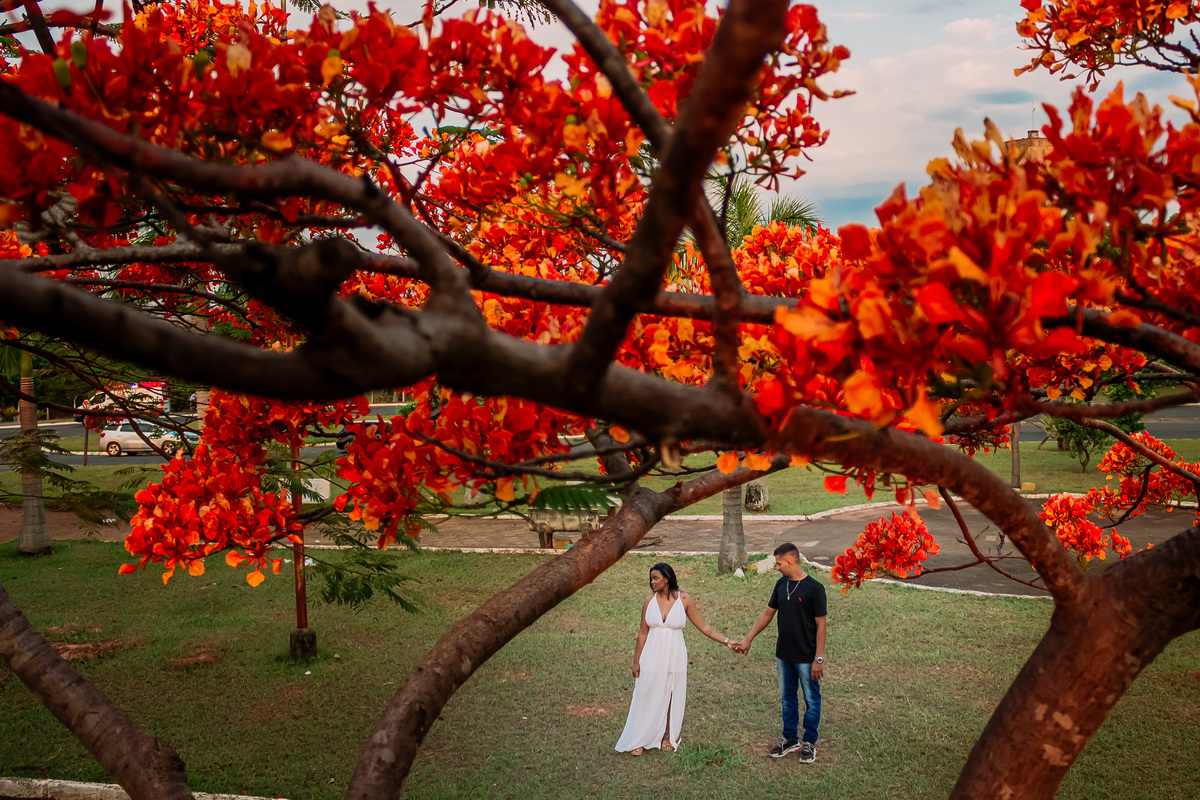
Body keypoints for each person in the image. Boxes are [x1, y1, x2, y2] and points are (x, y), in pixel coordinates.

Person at [615, 562, 735, 755]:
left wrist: (727, 641)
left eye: (655, 578)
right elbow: (642, 633)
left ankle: (667, 736)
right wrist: (636, 661)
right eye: (651, 579)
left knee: (672, 692)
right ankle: (638, 737)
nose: (652, 582)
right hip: (652, 653)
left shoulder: (684, 600)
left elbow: (705, 628)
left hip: (675, 653)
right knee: (645, 692)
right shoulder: (649, 601)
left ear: (667, 578)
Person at [731, 542, 827, 763]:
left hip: (806, 657)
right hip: (784, 655)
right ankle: (790, 739)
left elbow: (821, 625)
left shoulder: (814, 589)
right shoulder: (780, 585)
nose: (777, 567)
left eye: (780, 563)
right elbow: (767, 614)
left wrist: (818, 658)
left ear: (791, 561)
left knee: (811, 699)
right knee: (787, 698)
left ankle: (809, 742)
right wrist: (749, 639)